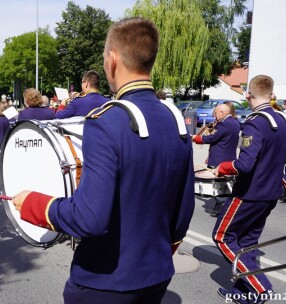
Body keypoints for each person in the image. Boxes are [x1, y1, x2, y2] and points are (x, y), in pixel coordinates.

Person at [12, 17, 194, 304]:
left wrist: (33, 203)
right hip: (157, 275)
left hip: (105, 283)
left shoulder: (106, 122)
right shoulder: (175, 119)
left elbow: (89, 219)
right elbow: (184, 209)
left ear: (111, 61)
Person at [212, 75, 286, 303]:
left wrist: (222, 167)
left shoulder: (256, 121)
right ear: (272, 94)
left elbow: (244, 165)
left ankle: (260, 287)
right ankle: (242, 291)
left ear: (247, 94)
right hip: (271, 191)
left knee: (222, 237)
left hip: (249, 193)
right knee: (247, 243)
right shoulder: (282, 119)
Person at [192, 103, 240, 168]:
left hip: (218, 161)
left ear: (222, 113)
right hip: (230, 160)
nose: (214, 115)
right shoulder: (235, 123)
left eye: (215, 113)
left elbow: (211, 138)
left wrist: (195, 138)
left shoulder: (223, 123)